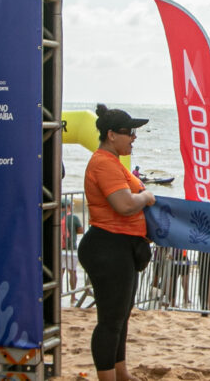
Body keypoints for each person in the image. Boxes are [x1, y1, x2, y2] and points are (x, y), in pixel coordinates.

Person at [77, 103, 155, 381]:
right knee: (110, 321)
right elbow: (123, 204)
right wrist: (146, 197)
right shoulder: (102, 163)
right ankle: (107, 378)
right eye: (129, 132)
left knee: (120, 317)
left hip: (120, 246)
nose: (134, 137)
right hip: (108, 246)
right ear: (111, 135)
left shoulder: (113, 163)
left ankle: (121, 373)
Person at [61, 198, 84, 294]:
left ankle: (59, 294)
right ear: (69, 206)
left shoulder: (55, 216)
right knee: (72, 272)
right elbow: (81, 230)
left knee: (59, 274)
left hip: (59, 248)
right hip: (71, 248)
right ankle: (73, 295)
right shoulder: (73, 217)